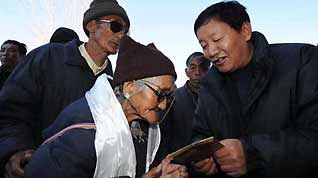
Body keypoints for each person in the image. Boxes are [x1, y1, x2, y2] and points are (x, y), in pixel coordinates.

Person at [24, 36, 188, 178]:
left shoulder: (141, 127)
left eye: (169, 96)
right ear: (129, 87)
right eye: (160, 93)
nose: (164, 104)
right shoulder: (84, 133)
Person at [0, 0, 130, 177]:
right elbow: (10, 110)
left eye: (125, 30)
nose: (121, 35)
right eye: (116, 27)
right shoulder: (47, 57)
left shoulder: (110, 82)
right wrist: (15, 150)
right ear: (91, 25)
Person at [191, 1, 318, 178]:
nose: (210, 52)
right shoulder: (209, 85)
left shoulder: (303, 61)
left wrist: (253, 154)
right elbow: (201, 134)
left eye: (217, 39)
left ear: (245, 31)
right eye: (204, 45)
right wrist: (204, 157)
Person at [157, 52, 210, 178]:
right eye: (193, 68)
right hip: (179, 169)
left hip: (209, 167)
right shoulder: (173, 98)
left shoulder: (217, 99)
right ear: (186, 72)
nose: (197, 72)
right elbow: (163, 136)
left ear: (209, 70)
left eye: (203, 67)